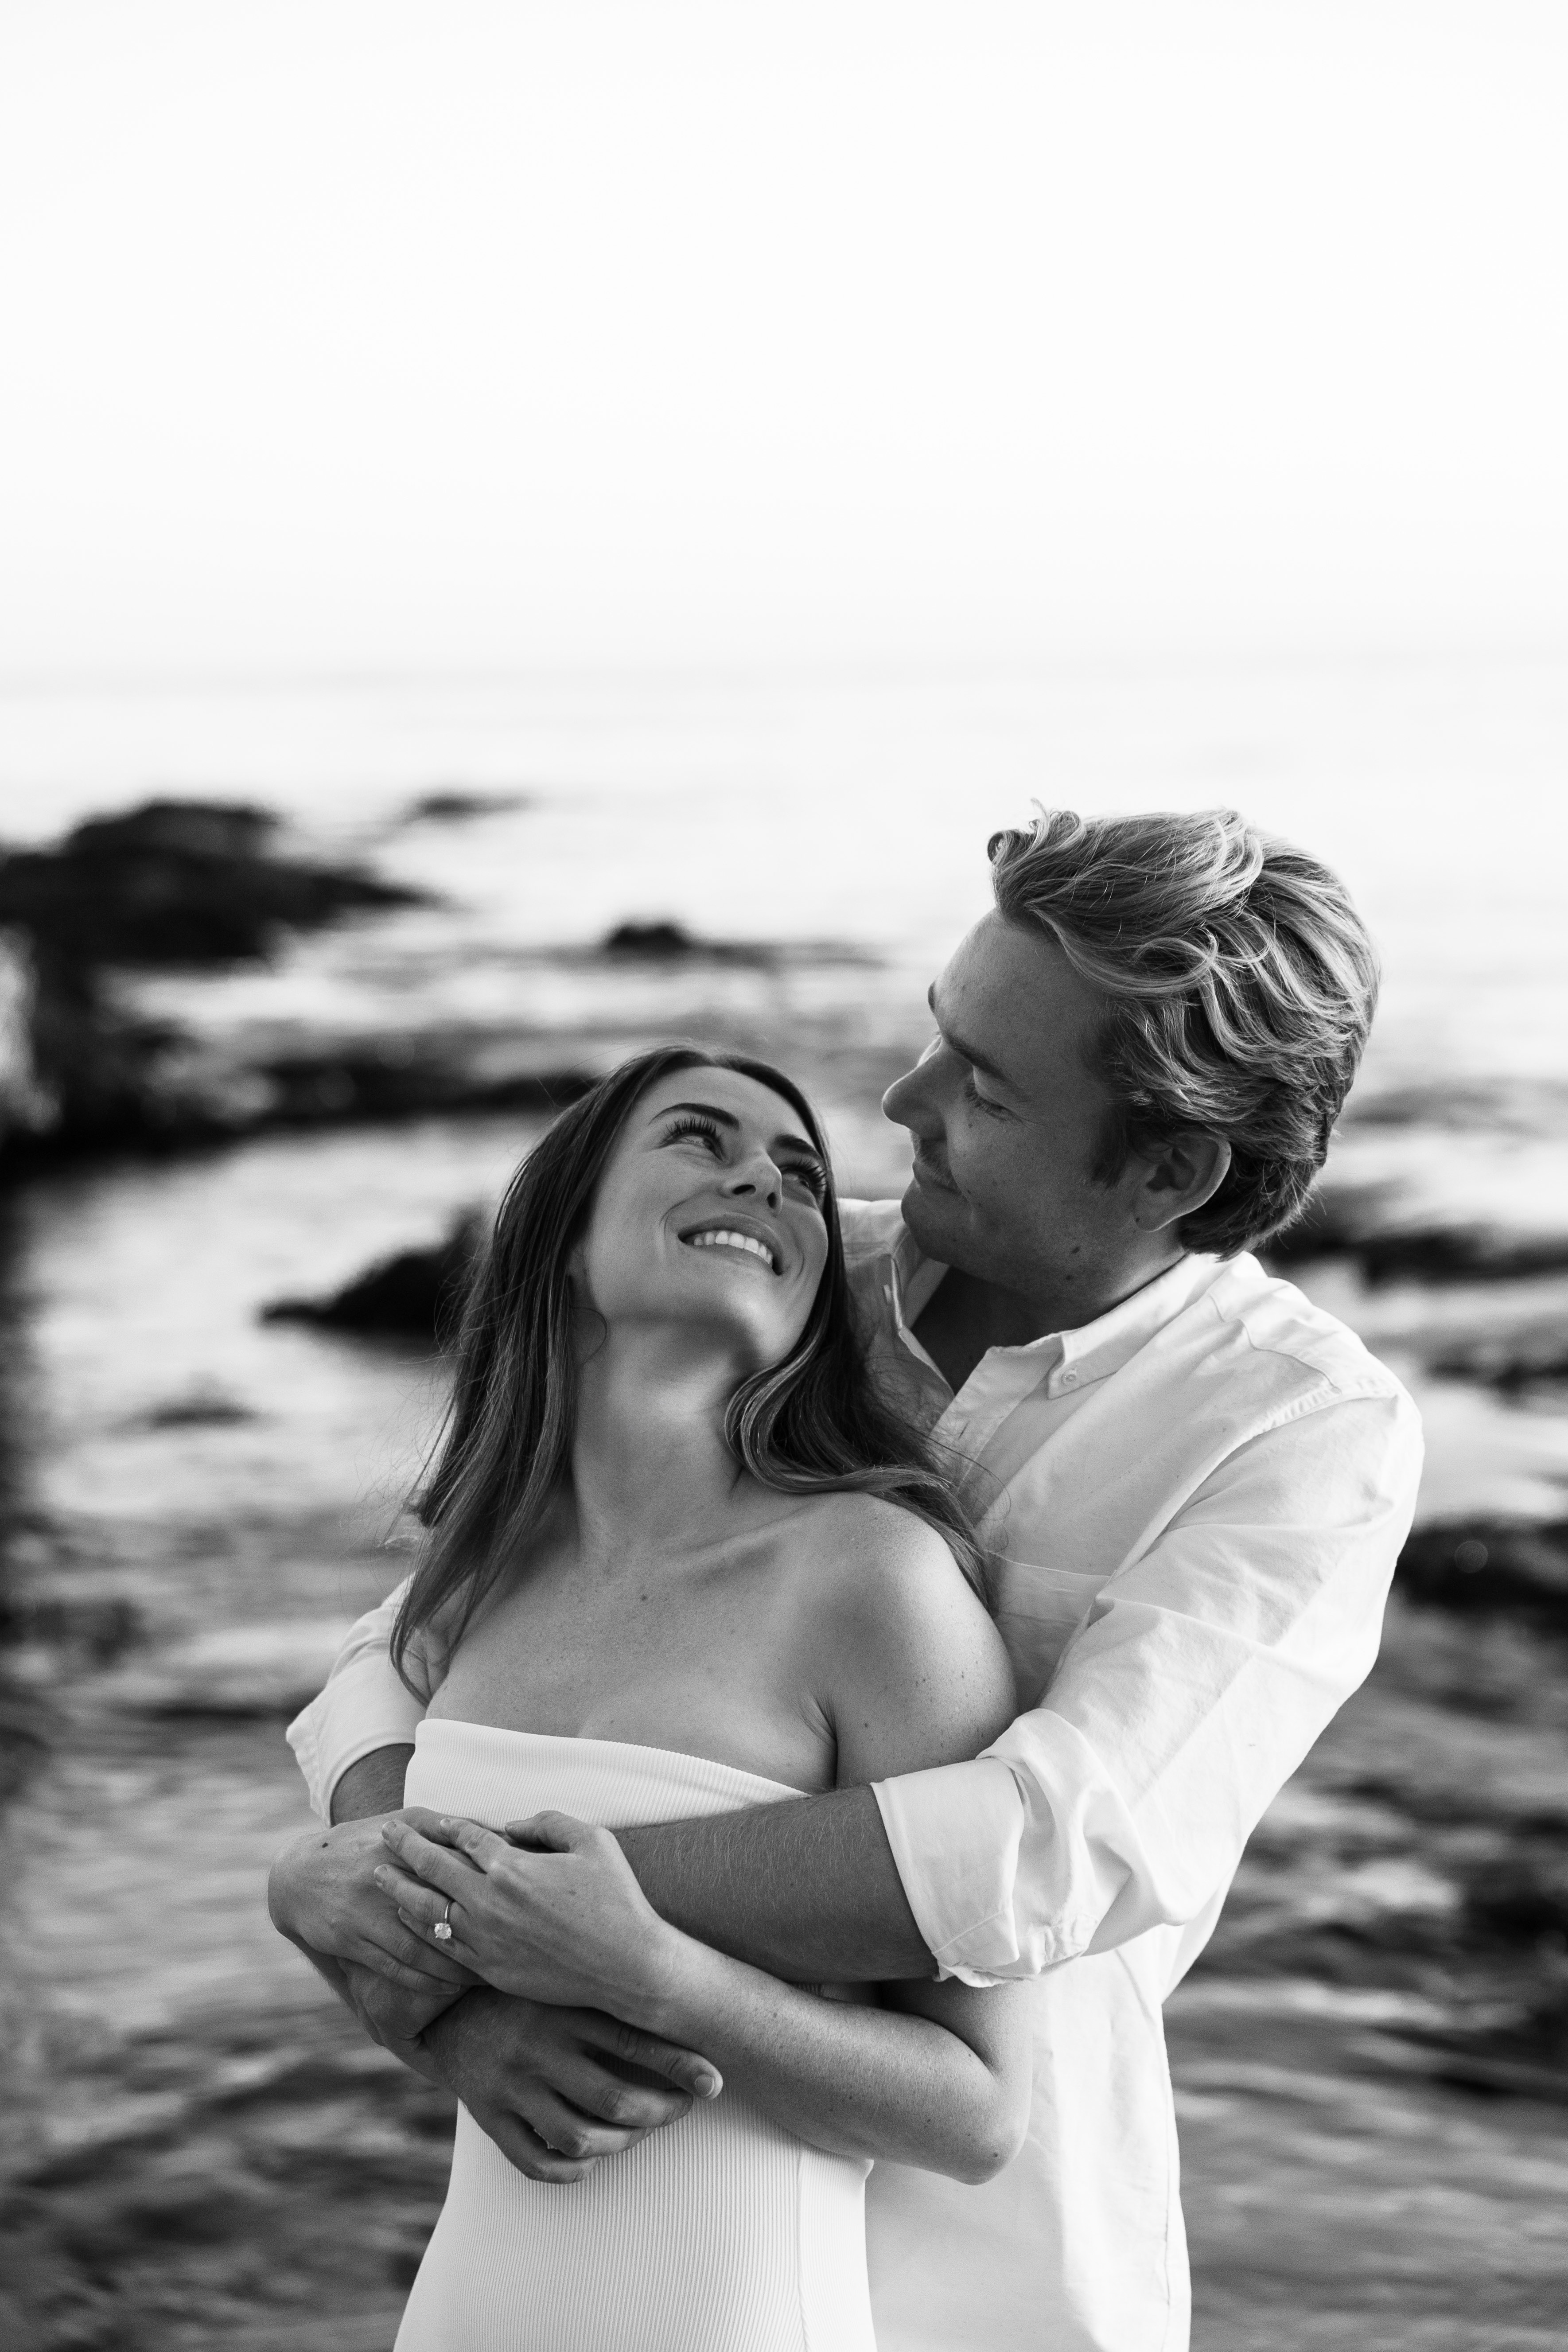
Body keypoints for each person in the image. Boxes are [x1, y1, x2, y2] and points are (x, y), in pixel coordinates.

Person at [272, 807, 1424, 2352]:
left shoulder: (1301, 1435)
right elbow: (425, 1638)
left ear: (1168, 1165)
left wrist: (481, 1902)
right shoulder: (803, 1279)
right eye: (939, 1034)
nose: (901, 1098)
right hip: (621, 2194)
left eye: (986, 1084)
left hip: (987, 2264)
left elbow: (1037, 1850)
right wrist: (424, 1951)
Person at [277, 1040, 1036, 2350]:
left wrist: (663, 1979)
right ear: (564, 1235)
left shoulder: (875, 1575)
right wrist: (309, 1894)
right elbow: (386, 1863)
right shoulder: (472, 1576)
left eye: (799, 1175)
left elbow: (974, 2117)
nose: (766, 1183)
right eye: (702, 1139)